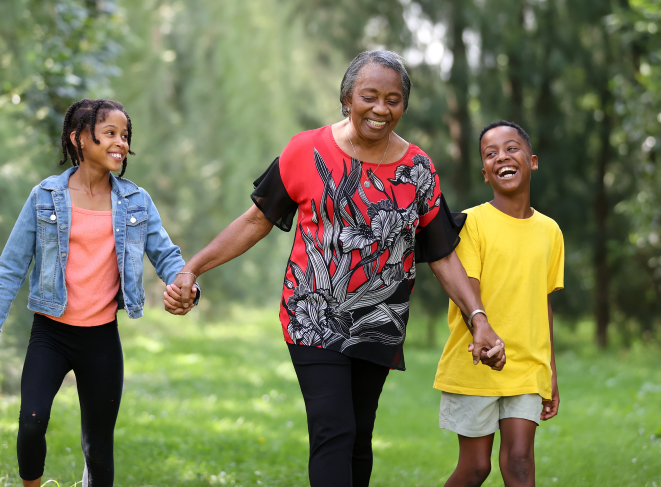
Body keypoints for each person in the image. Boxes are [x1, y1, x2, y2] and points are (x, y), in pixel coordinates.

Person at [164, 51, 505, 487]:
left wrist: (478, 319)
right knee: (334, 430)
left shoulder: (418, 169)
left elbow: (442, 254)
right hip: (312, 314)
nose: (381, 109)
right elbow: (256, 219)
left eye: (393, 99)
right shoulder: (305, 150)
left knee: (359, 436)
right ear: (347, 98)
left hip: (380, 321)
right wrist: (193, 268)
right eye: (370, 96)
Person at [0, 99, 198, 487]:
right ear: (79, 139)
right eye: (110, 133)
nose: (121, 143)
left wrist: (189, 288)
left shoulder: (136, 201)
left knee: (98, 446)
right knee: (31, 423)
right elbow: (11, 267)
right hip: (51, 333)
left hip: (101, 340)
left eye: (125, 135)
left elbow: (167, 256)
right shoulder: (44, 196)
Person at [434, 120, 564, 487]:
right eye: (490, 154)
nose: (502, 157)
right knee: (476, 468)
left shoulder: (550, 231)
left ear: (532, 161)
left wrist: (550, 371)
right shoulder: (473, 223)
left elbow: (544, 304)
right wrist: (482, 335)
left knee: (520, 461)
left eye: (511, 148)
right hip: (476, 362)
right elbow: (466, 292)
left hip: (527, 364)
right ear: (485, 173)